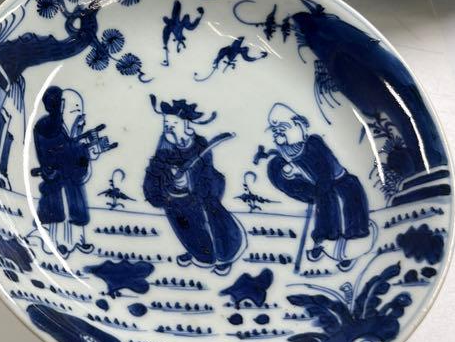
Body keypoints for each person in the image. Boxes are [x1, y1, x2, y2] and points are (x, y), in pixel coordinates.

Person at [263, 103, 372, 272]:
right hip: (322, 188)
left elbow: (324, 169)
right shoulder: (288, 150)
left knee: (344, 210)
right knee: (325, 211)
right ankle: (323, 241)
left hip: (341, 184)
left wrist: (318, 189)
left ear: (299, 125)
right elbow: (301, 170)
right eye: (275, 131)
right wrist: (290, 172)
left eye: (283, 129)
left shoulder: (313, 143)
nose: (279, 134)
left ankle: (350, 250)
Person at [143, 98, 244, 274]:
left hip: (201, 197)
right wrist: (167, 181)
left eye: (174, 123)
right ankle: (197, 253)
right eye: (166, 124)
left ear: (186, 125)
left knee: (214, 226)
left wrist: (189, 180)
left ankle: (224, 257)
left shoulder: (199, 144)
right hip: (177, 200)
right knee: (185, 228)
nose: (169, 127)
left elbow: (206, 173)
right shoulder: (165, 145)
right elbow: (156, 171)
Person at [33, 86, 108, 257]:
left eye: (81, 112)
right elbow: (57, 153)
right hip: (56, 179)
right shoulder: (46, 127)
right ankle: (57, 243)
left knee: (76, 209)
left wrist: (88, 151)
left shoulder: (68, 130)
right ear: (62, 106)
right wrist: (81, 149)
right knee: (59, 212)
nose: (81, 117)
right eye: (76, 111)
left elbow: (74, 152)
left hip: (72, 178)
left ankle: (78, 241)